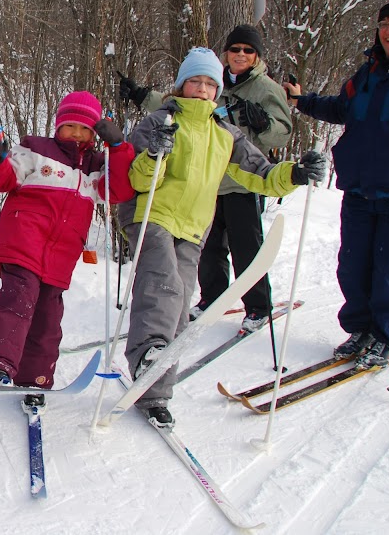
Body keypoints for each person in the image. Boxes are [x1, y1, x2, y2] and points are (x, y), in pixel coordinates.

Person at [118, 47, 325, 428]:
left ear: (218, 91)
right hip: (153, 216)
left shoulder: (225, 133)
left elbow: (259, 172)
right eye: (195, 81)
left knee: (180, 304)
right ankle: (149, 354)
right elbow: (135, 178)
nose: (202, 89)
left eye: (210, 83)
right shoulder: (159, 120)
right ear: (182, 84)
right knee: (162, 286)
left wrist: (294, 173)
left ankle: (154, 392)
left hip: (194, 225)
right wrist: (155, 155)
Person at [120, 25, 293, 332]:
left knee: (244, 244)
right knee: (205, 254)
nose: (240, 55)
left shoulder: (265, 90)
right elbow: (173, 105)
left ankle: (256, 305)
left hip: (235, 178)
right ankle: (207, 300)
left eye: (248, 50)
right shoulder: (208, 88)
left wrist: (265, 125)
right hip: (196, 194)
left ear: (257, 56)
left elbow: (281, 131)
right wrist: (141, 95)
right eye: (235, 49)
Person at [0, 92, 137, 409]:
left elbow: (118, 190)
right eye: (70, 126)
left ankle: (35, 379)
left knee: (48, 317)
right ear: (59, 125)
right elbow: (3, 180)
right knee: (18, 298)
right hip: (23, 239)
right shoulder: (36, 149)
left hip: (61, 255)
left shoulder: (96, 167)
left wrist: (118, 148)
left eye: (85, 129)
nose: (77, 134)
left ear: (95, 133)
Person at [283, 0, 389, 370]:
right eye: (385, 24)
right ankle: (361, 329)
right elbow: (340, 107)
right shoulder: (368, 74)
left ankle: (387, 336)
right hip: (358, 188)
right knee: (352, 265)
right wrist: (302, 100)